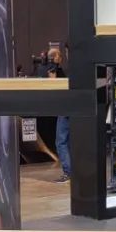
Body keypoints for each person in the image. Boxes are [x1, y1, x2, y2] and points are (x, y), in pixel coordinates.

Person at [46, 48, 70, 183]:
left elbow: (53, 85)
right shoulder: (64, 69)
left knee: (61, 142)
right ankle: (71, 171)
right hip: (72, 107)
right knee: (68, 141)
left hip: (65, 109)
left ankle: (68, 172)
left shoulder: (56, 70)